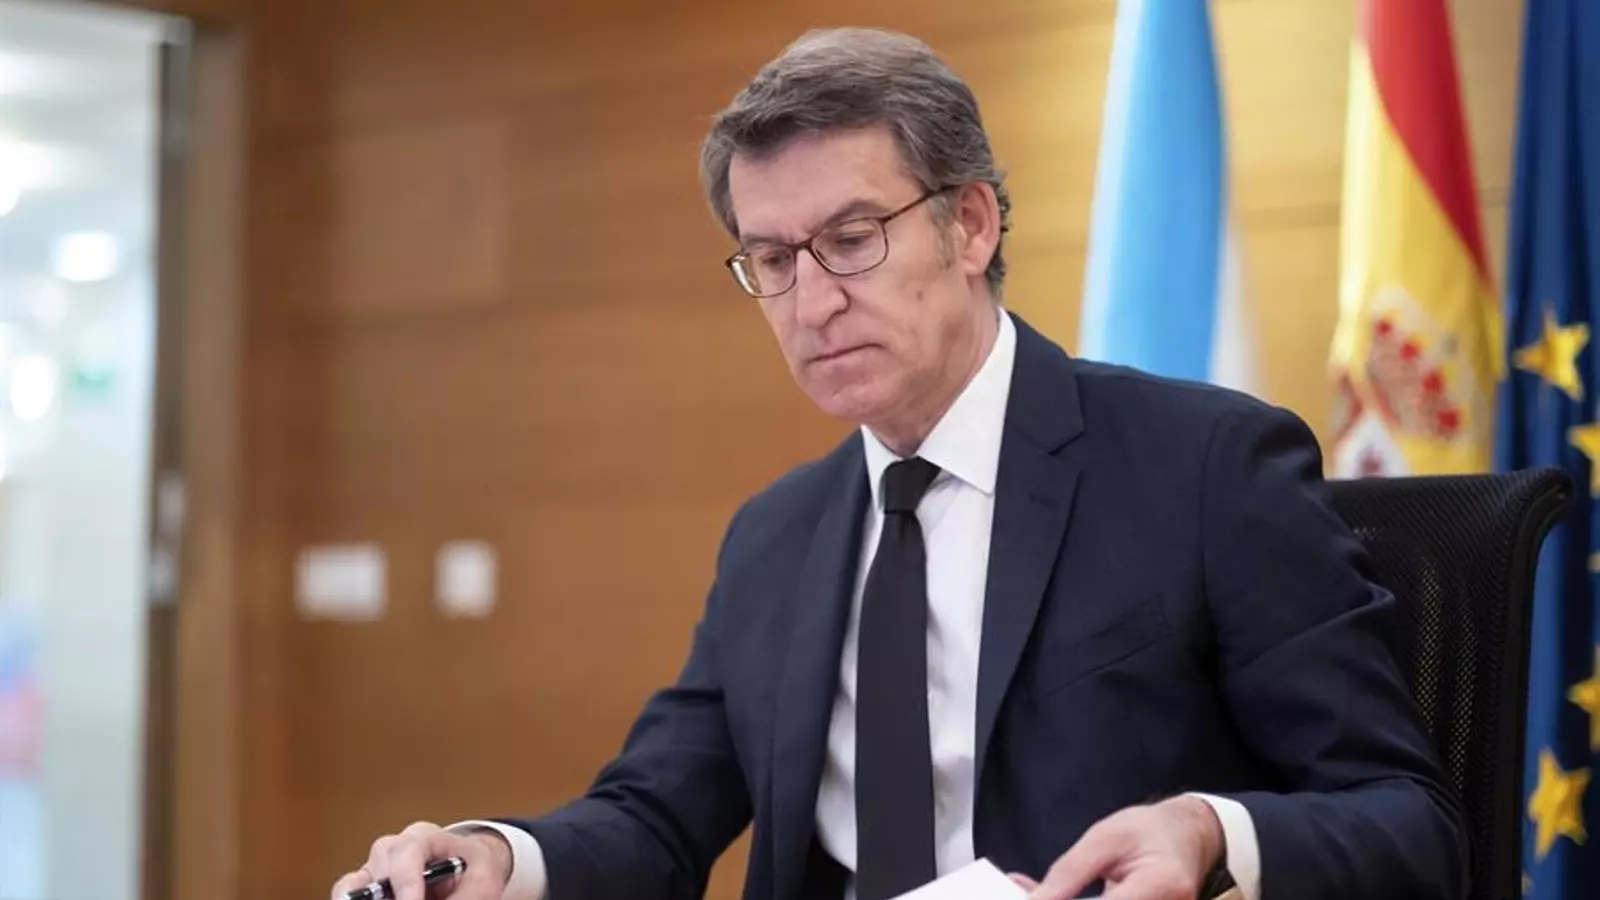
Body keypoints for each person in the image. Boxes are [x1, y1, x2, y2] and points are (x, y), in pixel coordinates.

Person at [330, 27, 1466, 900]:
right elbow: (655, 816)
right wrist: (495, 856)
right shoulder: (775, 537)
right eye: (772, 260)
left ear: (969, 226)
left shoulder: (1202, 465)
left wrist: (1210, 830)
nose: (811, 302)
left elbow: (1409, 821)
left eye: (850, 240)